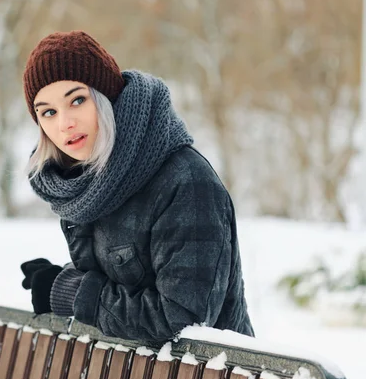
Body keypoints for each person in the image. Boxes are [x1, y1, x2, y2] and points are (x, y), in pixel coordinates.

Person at [19, 30, 254, 344]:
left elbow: (184, 322)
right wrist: (60, 281)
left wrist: (71, 292)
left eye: (77, 100)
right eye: (48, 112)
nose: (65, 123)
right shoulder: (86, 186)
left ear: (107, 99)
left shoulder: (185, 181)